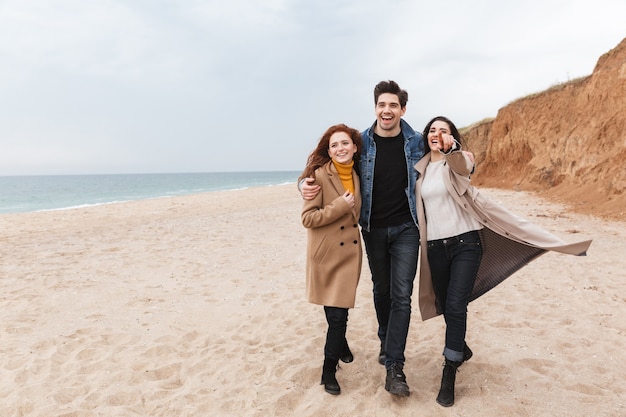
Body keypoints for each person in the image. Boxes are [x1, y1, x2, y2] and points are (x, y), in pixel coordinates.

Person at [414, 115, 593, 407]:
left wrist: (452, 148)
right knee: (445, 303)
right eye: (432, 130)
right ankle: (461, 346)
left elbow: (464, 165)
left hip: (465, 244)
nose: (437, 134)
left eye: (443, 130)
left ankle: (450, 368)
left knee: (457, 305)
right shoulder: (420, 170)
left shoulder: (457, 160)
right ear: (426, 136)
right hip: (435, 247)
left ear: (452, 136)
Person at [300, 81, 453, 397]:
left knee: (401, 294)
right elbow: (326, 165)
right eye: (382, 105)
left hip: (407, 228)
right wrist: (302, 184)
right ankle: (386, 338)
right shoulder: (362, 143)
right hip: (372, 230)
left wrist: (453, 148)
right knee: (382, 290)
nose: (387, 110)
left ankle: (394, 366)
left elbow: (451, 164)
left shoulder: (416, 142)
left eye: (393, 105)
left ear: (403, 110)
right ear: (375, 108)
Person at [300, 123, 364, 395]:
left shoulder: (360, 173)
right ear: (329, 150)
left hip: (349, 254)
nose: (340, 148)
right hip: (326, 254)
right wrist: (339, 206)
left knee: (338, 314)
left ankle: (340, 345)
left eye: (345, 143)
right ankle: (328, 371)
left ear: (355, 147)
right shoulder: (318, 177)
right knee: (337, 316)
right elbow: (308, 218)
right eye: (335, 145)